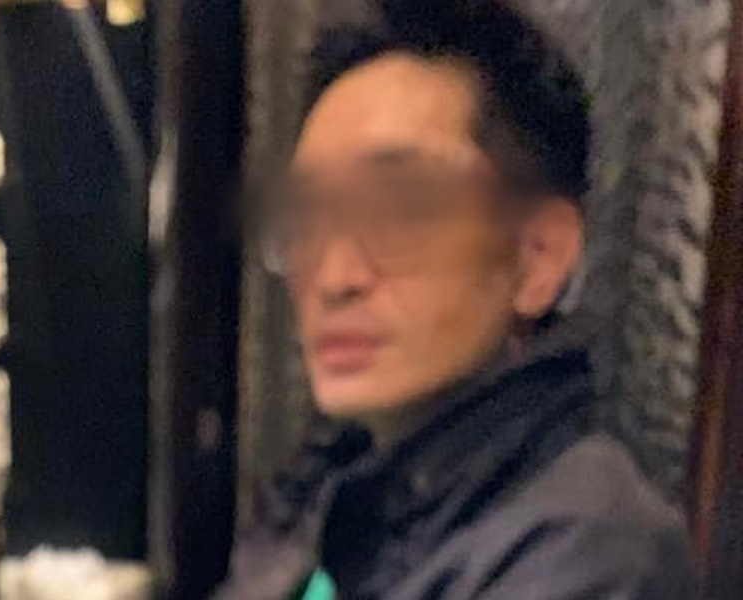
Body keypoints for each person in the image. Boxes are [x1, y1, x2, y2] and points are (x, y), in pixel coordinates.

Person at [217, 1, 697, 598]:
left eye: (401, 208)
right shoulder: (331, 487)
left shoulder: (590, 552)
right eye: (309, 216)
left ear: (539, 256)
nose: (334, 278)